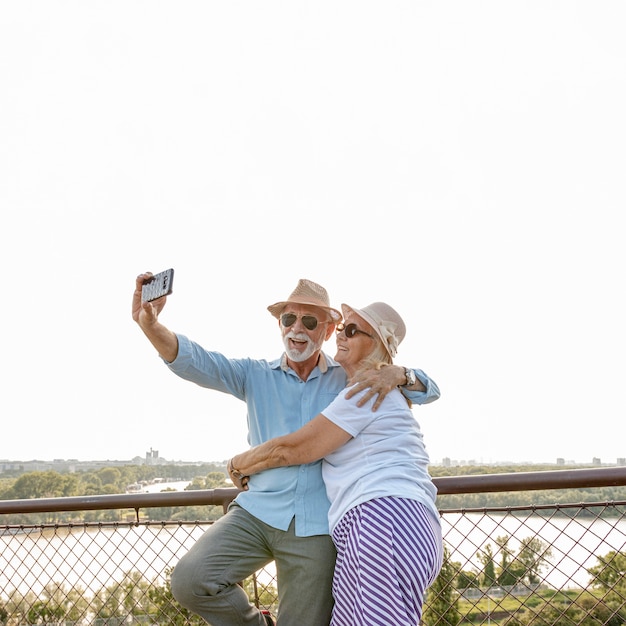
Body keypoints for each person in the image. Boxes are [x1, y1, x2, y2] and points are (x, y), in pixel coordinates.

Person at [132, 276, 440, 626]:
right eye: (288, 319)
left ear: (327, 331)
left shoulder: (354, 377)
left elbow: (428, 391)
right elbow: (195, 361)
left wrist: (401, 374)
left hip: (317, 526)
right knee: (191, 580)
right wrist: (151, 325)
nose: (297, 328)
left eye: (309, 321)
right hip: (257, 512)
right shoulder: (254, 374)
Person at [228, 301, 443, 626]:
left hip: (380, 523)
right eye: (342, 328)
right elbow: (428, 388)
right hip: (394, 525)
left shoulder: (364, 392)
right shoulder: (385, 388)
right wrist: (401, 373)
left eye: (353, 330)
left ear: (377, 346)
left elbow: (293, 448)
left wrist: (239, 463)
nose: (341, 335)